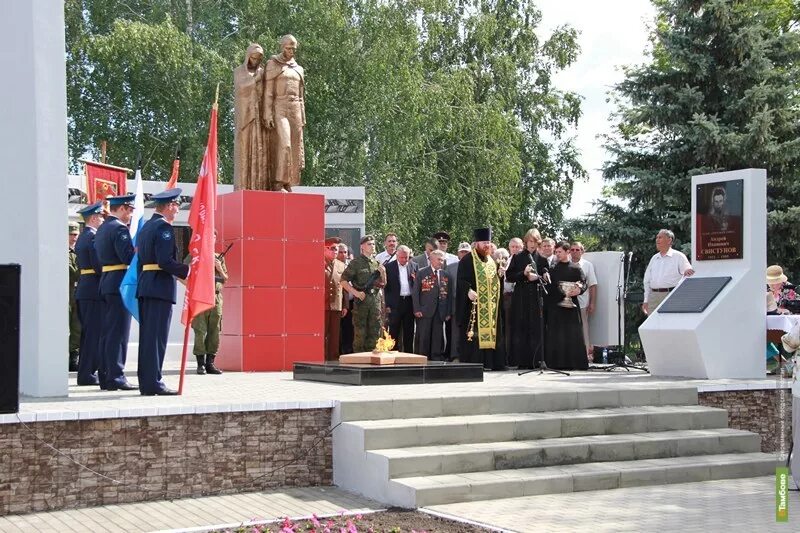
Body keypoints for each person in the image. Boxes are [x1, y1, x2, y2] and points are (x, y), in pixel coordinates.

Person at [136, 189, 190, 396]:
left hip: (147, 285)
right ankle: (153, 383)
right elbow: (165, 261)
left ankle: (147, 381)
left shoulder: (147, 227)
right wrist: (189, 271)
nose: (177, 210)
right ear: (169, 206)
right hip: (159, 287)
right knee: (156, 337)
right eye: (176, 205)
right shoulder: (164, 228)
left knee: (148, 337)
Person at [94, 193, 137, 391]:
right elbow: (127, 257)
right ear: (120, 209)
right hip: (118, 282)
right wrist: (137, 250)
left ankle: (105, 376)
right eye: (128, 210)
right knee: (118, 333)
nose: (129, 215)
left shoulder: (102, 228)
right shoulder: (120, 229)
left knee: (106, 332)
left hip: (106, 282)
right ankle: (116, 376)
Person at [457, 228, 506, 370]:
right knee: (475, 335)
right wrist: (468, 290)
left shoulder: (491, 260)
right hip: (473, 305)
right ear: (476, 243)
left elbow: (494, 282)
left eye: (489, 242)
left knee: (491, 332)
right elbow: (461, 280)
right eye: (484, 242)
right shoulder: (467, 260)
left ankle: (491, 363)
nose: (487, 245)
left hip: (490, 306)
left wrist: (500, 276)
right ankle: (475, 362)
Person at [264, 35, 305, 192]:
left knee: (295, 147)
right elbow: (268, 92)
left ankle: (289, 182)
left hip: (295, 109)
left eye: (294, 48)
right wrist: (267, 113)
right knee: (285, 144)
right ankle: (278, 182)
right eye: (289, 48)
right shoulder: (273, 64)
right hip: (280, 107)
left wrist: (303, 116)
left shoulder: (299, 68)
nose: (291, 51)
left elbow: (301, 96)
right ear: (282, 47)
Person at [506, 229, 550, 369]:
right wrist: (523, 274)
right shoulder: (518, 257)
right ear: (526, 242)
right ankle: (521, 360)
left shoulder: (542, 259)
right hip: (521, 296)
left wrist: (543, 275)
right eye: (530, 241)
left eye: (535, 242)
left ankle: (536, 359)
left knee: (536, 327)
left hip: (536, 297)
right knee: (521, 326)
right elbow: (509, 276)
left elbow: (545, 273)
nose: (532, 244)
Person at [184, 230, 227, 374]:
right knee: (200, 330)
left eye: (214, 237)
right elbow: (182, 274)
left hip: (215, 297)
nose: (211, 240)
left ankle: (211, 363)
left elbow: (225, 278)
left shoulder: (218, 258)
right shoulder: (194, 256)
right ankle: (200, 363)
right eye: (209, 237)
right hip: (200, 297)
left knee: (215, 330)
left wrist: (219, 268)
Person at [74, 202, 105, 386]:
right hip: (93, 290)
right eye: (101, 216)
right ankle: (87, 373)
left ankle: (85, 373)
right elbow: (98, 265)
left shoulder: (83, 237)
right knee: (94, 333)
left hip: (85, 288)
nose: (103, 219)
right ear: (93, 218)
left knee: (88, 334)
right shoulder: (93, 238)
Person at [545, 242, 588, 370]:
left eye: (560, 252)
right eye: (556, 252)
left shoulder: (576, 268)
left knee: (573, 333)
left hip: (571, 307)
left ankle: (575, 362)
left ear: (567, 252)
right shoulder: (552, 269)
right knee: (557, 334)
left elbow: (583, 283)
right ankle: (556, 363)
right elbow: (549, 288)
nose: (557, 254)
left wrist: (579, 290)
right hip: (555, 306)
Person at [233, 43, 269, 190]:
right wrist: (255, 79)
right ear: (248, 57)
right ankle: (243, 185)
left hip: (260, 117)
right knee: (245, 149)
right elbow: (241, 88)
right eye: (253, 58)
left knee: (261, 150)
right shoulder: (238, 71)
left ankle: (259, 185)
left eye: (258, 59)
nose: (255, 61)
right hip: (246, 117)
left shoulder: (263, 72)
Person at [341, 235, 383, 352]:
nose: (372, 246)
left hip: (375, 302)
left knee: (375, 331)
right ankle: (358, 359)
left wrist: (383, 273)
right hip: (362, 303)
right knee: (360, 333)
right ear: (362, 247)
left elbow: (382, 284)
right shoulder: (356, 263)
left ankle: (372, 358)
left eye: (374, 244)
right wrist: (356, 293)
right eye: (369, 244)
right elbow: (343, 281)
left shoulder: (377, 263)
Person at [642, 229, 695, 315]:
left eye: (660, 237)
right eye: (657, 238)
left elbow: (689, 274)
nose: (657, 240)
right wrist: (646, 300)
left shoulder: (679, 256)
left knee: (671, 324)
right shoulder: (654, 258)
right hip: (653, 297)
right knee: (652, 326)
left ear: (669, 240)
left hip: (671, 296)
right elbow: (646, 280)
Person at [412, 250, 451, 358]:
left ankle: (437, 356)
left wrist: (448, 312)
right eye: (439, 259)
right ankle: (423, 356)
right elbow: (415, 292)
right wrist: (417, 309)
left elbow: (449, 294)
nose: (441, 262)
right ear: (431, 259)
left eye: (442, 260)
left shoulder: (446, 275)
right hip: (425, 310)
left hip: (440, 311)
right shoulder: (421, 272)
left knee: (438, 336)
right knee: (424, 335)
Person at [384, 245, 417, 352]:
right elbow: (386, 288)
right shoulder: (389, 267)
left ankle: (408, 355)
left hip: (409, 302)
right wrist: (387, 305)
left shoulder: (414, 266)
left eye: (406, 257)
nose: (404, 260)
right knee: (393, 331)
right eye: (401, 257)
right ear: (397, 255)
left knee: (409, 331)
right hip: (394, 304)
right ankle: (392, 354)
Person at [570, 242, 598, 357]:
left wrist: (592, 303)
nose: (575, 252)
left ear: (582, 251)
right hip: (567, 302)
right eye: (572, 250)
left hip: (582, 302)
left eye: (577, 249)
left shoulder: (587, 265)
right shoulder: (565, 263)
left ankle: (585, 354)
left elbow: (593, 285)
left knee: (583, 329)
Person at [446, 242, 472, 361]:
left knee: (470, 328)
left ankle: (468, 354)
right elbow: (447, 288)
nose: (464, 254)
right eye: (462, 252)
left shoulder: (475, 266)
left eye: (466, 252)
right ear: (458, 253)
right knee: (455, 329)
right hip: (456, 301)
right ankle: (455, 354)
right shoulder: (451, 267)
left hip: (471, 301)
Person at [323, 237, 347, 361]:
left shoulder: (341, 265)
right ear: (324, 249)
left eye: (337, 249)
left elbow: (345, 286)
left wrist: (345, 305)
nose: (335, 251)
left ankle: (333, 360)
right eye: (332, 248)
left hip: (336, 305)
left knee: (334, 336)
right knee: (322, 335)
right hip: (322, 305)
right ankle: (321, 358)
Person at [68, 221, 81, 371]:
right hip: (66, 295)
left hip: (75, 295)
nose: (74, 238)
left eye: (76, 235)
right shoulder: (65, 252)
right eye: (71, 234)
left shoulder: (76, 251)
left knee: (77, 327)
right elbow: (75, 273)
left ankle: (74, 357)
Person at [337, 243, 355, 354]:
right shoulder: (334, 266)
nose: (343, 254)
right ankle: (339, 352)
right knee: (339, 330)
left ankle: (349, 352)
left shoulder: (352, 266)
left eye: (345, 252)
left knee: (350, 329)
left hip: (353, 303)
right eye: (340, 252)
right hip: (340, 303)